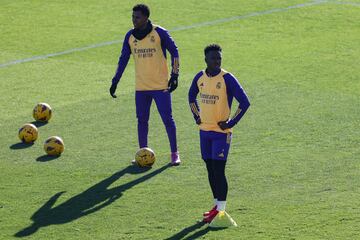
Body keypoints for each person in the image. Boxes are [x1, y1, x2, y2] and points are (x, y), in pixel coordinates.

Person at [109, 4, 180, 166]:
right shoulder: (130, 36)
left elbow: (175, 52)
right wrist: (115, 81)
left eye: (137, 17)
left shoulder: (159, 33)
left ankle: (175, 154)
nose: (134, 20)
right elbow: (123, 60)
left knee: (167, 120)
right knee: (142, 120)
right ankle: (142, 154)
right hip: (141, 88)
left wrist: (175, 75)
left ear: (146, 18)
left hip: (161, 87)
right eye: (133, 17)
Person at [188, 44, 250, 224]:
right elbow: (191, 97)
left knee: (219, 170)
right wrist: (196, 116)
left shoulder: (227, 79)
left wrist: (230, 123)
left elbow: (244, 102)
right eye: (213, 58)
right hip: (204, 132)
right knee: (209, 168)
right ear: (206, 59)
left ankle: (222, 210)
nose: (217, 61)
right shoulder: (200, 78)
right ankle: (216, 206)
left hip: (221, 134)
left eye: (219, 58)